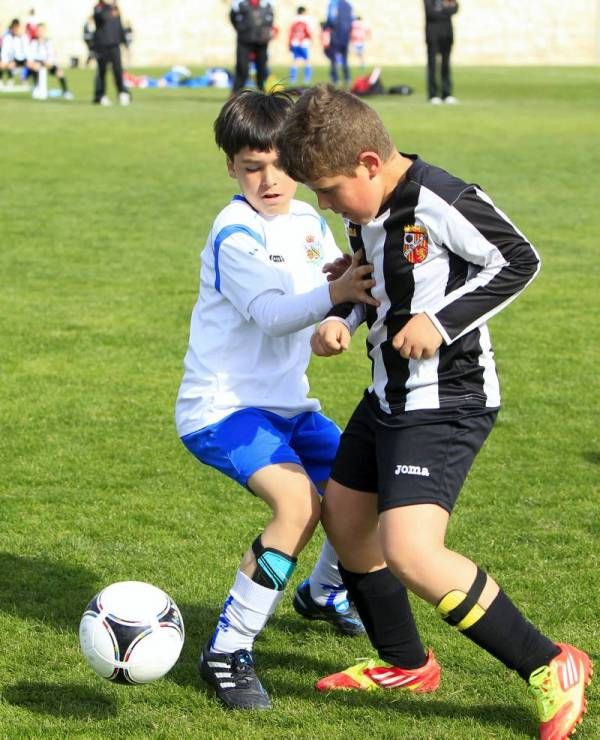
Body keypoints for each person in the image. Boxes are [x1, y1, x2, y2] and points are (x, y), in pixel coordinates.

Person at [275, 84, 593, 739]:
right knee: (346, 520)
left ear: (368, 162)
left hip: (448, 400)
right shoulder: (363, 209)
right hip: (386, 393)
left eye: (329, 190)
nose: (323, 203)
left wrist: (440, 321)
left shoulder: (441, 198)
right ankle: (406, 663)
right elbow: (371, 278)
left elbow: (518, 260)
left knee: (411, 550)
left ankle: (551, 664)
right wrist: (343, 316)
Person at [175, 89, 377, 711]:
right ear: (230, 168)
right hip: (223, 407)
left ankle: (319, 593)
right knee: (297, 506)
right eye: (251, 166)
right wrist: (333, 295)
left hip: (289, 404)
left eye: (280, 163)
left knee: (360, 490)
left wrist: (334, 318)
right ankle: (227, 650)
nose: (269, 179)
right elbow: (268, 313)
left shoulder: (310, 223)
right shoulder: (235, 233)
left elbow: (323, 295)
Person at [229, 0, 274, 94]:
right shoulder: (240, 4)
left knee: (262, 68)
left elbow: (270, 19)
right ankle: (236, 93)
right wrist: (241, 29)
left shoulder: (267, 4)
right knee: (242, 68)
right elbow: (233, 17)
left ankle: (263, 93)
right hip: (245, 40)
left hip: (261, 41)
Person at [92, 0, 130, 106]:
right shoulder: (98, 7)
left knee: (118, 70)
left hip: (114, 44)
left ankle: (122, 92)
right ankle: (100, 96)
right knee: (102, 71)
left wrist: (125, 42)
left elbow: (119, 26)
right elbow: (102, 18)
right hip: (102, 44)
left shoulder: (115, 8)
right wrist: (110, 9)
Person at [27, 23, 74, 99]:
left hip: (47, 63)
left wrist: (49, 63)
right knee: (36, 67)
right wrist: (33, 63)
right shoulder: (33, 43)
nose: (40, 32)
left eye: (42, 30)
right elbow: (30, 57)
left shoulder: (48, 42)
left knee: (60, 72)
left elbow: (51, 56)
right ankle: (36, 88)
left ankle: (66, 91)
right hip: (36, 63)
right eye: (39, 30)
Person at [424, 0, 458, 104]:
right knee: (432, 64)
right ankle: (433, 94)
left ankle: (447, 93)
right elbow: (431, 13)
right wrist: (446, 9)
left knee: (446, 65)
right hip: (433, 35)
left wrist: (442, 9)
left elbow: (455, 8)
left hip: (447, 34)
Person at [323, 0, 353, 88]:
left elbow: (330, 19)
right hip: (345, 36)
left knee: (334, 59)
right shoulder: (348, 5)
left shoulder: (333, 3)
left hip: (336, 35)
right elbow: (351, 20)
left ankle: (335, 79)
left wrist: (325, 26)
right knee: (345, 60)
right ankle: (347, 78)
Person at [288, 6, 314, 87]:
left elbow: (291, 33)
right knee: (308, 61)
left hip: (295, 43)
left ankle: (292, 80)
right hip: (303, 44)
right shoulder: (306, 20)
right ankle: (307, 80)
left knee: (295, 61)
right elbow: (308, 32)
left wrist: (289, 43)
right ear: (303, 12)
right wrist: (310, 40)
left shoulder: (293, 21)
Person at [0, 19, 28, 86]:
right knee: (2, 64)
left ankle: (24, 79)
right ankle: (5, 80)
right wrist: (6, 62)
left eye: (16, 27)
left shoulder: (23, 38)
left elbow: (26, 52)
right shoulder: (7, 37)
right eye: (13, 28)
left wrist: (16, 61)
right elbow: (4, 51)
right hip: (10, 60)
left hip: (21, 60)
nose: (15, 29)